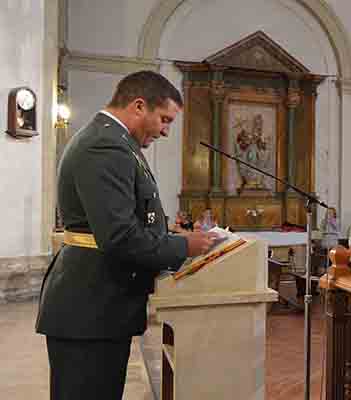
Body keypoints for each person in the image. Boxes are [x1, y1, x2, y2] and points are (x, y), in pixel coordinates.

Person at [35, 71, 217, 400]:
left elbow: (128, 217)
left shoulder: (116, 142)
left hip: (98, 304)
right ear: (138, 106)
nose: (165, 130)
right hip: (89, 306)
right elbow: (118, 235)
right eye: (164, 119)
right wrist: (183, 245)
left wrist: (167, 233)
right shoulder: (105, 145)